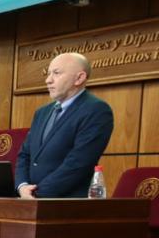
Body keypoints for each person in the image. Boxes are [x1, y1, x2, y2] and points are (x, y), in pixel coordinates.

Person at [15, 52, 113, 198]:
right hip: (29, 201)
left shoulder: (96, 110)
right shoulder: (42, 113)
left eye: (56, 73)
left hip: (65, 204)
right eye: (48, 74)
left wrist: (37, 193)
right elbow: (25, 154)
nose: (48, 80)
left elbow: (78, 163)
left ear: (79, 78)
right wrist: (22, 186)